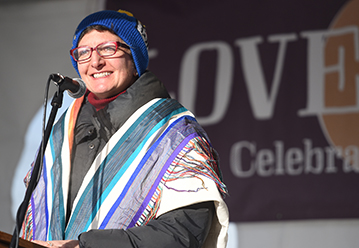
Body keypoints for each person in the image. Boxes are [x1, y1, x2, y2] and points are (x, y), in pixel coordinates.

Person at [21, 9, 229, 248]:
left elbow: (182, 233)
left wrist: (87, 246)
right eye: (84, 53)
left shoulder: (173, 132)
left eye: (108, 48)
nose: (96, 61)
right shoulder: (60, 132)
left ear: (134, 59)